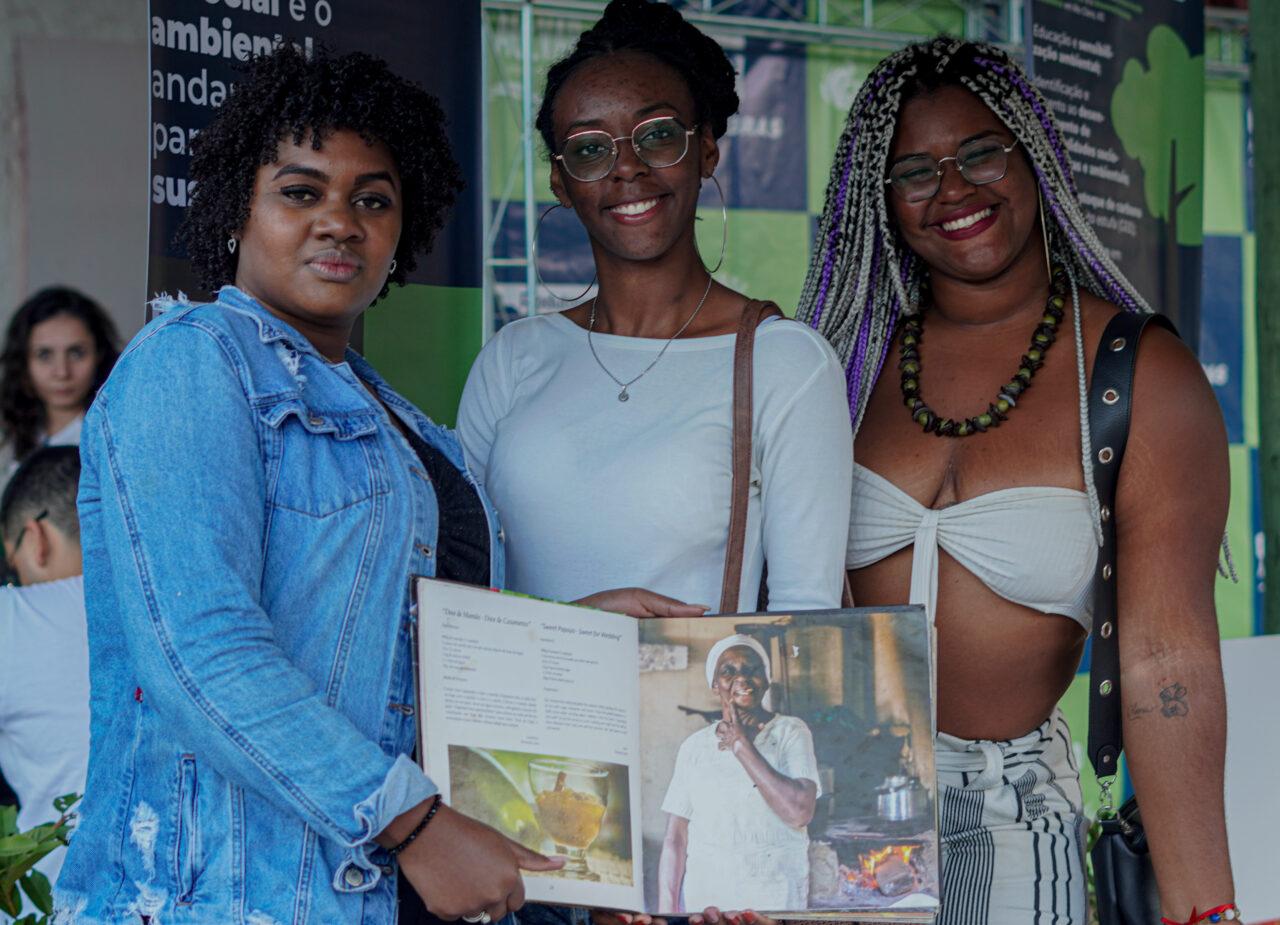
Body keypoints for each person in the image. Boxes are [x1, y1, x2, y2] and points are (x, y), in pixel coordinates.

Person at [53, 47, 561, 924]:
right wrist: (412, 822)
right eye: (300, 192)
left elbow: (411, 648)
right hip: (230, 898)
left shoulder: (404, 421)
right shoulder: (192, 360)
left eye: (373, 199)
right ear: (237, 209)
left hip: (371, 895)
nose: (340, 222)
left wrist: (576, 631)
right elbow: (201, 652)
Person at [798, 37, 1234, 924]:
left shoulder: (1135, 374)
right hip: (831, 808)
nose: (953, 190)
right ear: (882, 200)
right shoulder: (841, 366)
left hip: (1010, 812)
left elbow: (1167, 664)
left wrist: (1205, 911)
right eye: (914, 171)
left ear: (1034, 158)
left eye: (981, 154)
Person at [458, 0, 852, 628]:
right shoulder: (513, 358)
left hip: (702, 697)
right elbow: (457, 595)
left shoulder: (785, 362)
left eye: (658, 134)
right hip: (518, 695)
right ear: (561, 183)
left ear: (706, 151)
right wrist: (576, 627)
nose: (627, 167)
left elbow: (806, 625)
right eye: (589, 148)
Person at [658, 635, 819, 912]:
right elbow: (676, 839)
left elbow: (799, 813)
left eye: (752, 669)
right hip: (707, 901)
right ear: (715, 685)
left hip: (775, 898)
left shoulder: (790, 732)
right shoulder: (694, 747)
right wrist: (666, 909)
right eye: (728, 671)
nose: (742, 678)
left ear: (766, 680)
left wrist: (741, 745)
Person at [0, 446, 88, 888]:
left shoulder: (14, 620)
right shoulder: (180, 604)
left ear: (35, 538)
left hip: (58, 900)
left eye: (13, 570)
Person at [0, 287, 119, 481]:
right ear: (23, 362)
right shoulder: (15, 436)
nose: (62, 372)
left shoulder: (111, 440)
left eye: (76, 353)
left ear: (99, 355)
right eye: (44, 355)